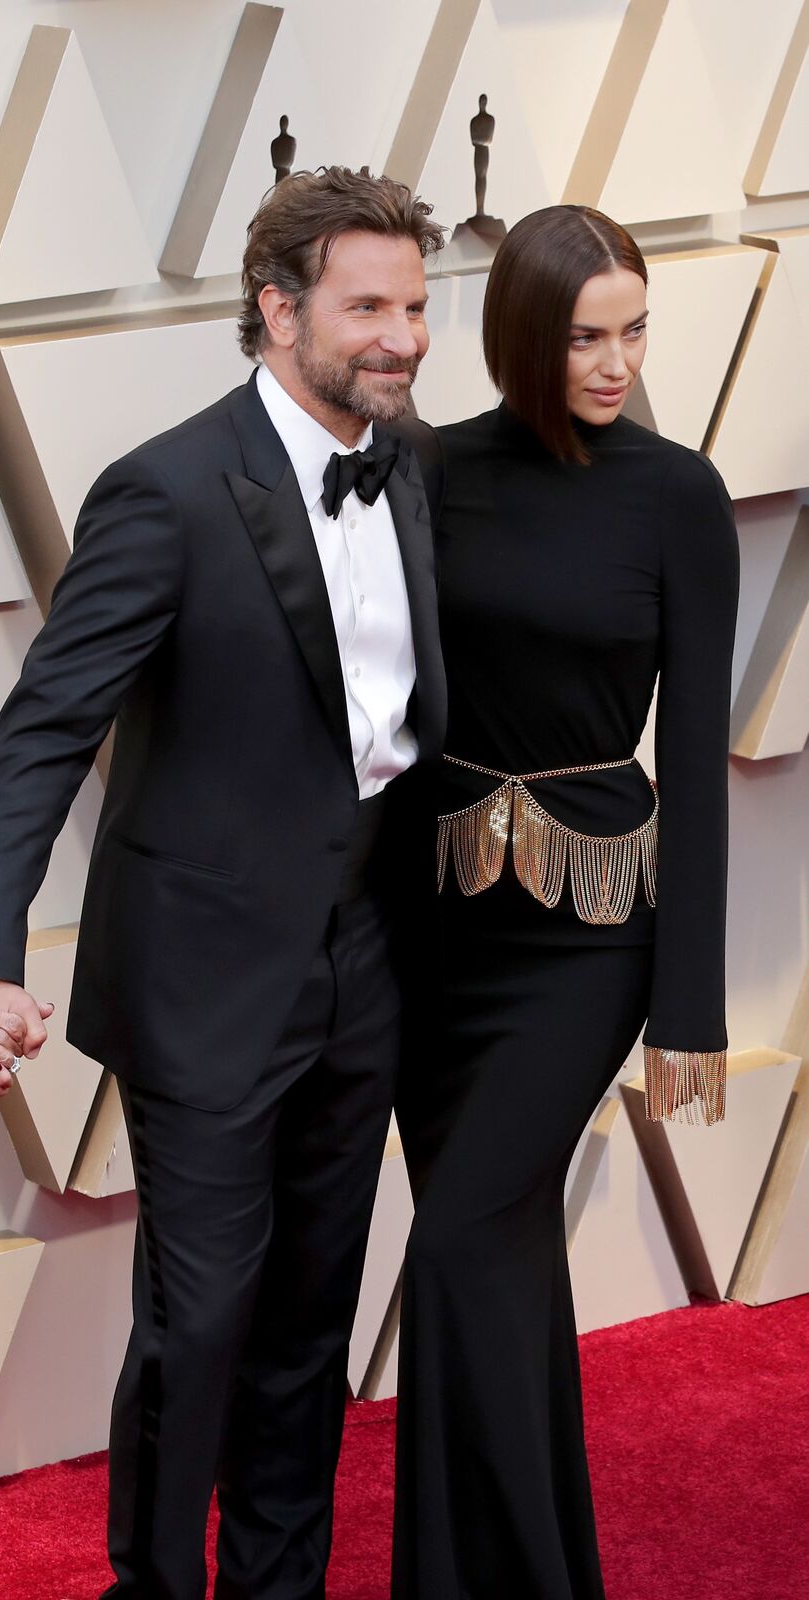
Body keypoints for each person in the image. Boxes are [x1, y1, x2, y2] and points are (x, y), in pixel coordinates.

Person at [0, 165, 446, 1600]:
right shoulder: (164, 489)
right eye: (367, 307)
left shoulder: (420, 468)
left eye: (416, 303)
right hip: (205, 975)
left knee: (308, 1325)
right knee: (200, 1321)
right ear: (277, 312)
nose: (401, 335)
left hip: (365, 963)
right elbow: (41, 737)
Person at [392, 205, 739, 1599]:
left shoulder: (677, 494)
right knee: (506, 1266)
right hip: (436, 926)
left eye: (633, 330)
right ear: (523, 337)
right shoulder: (428, 472)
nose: (614, 361)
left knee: (458, 1238)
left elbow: (700, 761)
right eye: (586, 335)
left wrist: (691, 1008)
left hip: (591, 938)